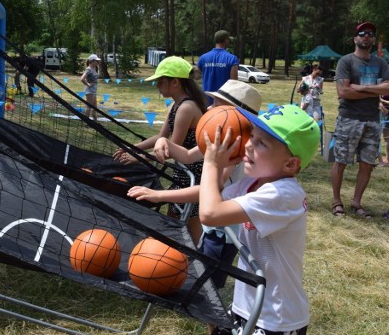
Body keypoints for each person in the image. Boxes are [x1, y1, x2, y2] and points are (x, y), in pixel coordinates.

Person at [127, 79, 262, 292]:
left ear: (235, 114)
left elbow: (209, 190)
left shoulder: (238, 151)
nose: (209, 108)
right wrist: (165, 143)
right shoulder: (218, 141)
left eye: (217, 104)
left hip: (226, 234)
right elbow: (188, 156)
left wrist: (159, 195)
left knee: (208, 288)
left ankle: (217, 324)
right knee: (203, 281)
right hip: (212, 229)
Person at [201, 104, 320, 335]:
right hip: (248, 305)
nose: (247, 144)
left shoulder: (283, 194)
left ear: (290, 164)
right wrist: (161, 196)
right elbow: (212, 195)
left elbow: (210, 213)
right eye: (252, 136)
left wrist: (212, 164)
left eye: (261, 143)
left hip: (276, 319)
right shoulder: (253, 184)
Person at [114, 56, 207, 243]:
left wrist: (138, 158)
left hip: (194, 174)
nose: (157, 85)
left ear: (175, 82)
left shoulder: (187, 108)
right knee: (175, 219)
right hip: (183, 171)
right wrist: (132, 148)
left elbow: (171, 147)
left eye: (161, 81)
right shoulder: (175, 105)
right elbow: (160, 137)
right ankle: (171, 254)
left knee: (190, 223)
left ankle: (196, 262)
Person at [330, 22, 389, 219]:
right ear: (355, 38)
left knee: (367, 164)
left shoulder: (380, 63)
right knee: (341, 161)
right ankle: (336, 201)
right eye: (362, 33)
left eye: (370, 34)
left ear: (373, 40)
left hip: (373, 121)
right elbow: (343, 92)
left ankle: (357, 202)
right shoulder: (346, 61)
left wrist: (358, 88)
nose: (366, 36)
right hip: (349, 119)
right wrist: (375, 90)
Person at [196, 30, 239, 104]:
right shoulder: (232, 59)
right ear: (225, 41)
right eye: (228, 40)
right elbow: (234, 82)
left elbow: (196, 76)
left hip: (205, 100)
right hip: (223, 101)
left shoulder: (203, 58)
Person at [81, 54, 101, 122]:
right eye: (96, 61)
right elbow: (82, 79)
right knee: (88, 107)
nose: (98, 62)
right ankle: (86, 123)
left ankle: (95, 123)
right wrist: (88, 85)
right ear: (92, 61)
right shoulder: (88, 69)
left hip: (94, 91)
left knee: (95, 108)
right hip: (89, 91)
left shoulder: (94, 68)